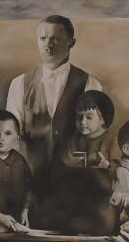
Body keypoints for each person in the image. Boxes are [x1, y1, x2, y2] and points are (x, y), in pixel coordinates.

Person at [4, 15, 102, 187]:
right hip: (30, 176)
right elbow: (10, 134)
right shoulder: (19, 84)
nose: (47, 45)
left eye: (55, 39)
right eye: (43, 39)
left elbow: (95, 134)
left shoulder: (89, 83)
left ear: (71, 43)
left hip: (73, 178)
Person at [45, 90, 117, 234]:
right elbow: (61, 164)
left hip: (100, 200)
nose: (83, 122)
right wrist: (66, 164)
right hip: (76, 197)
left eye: (89, 117)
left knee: (97, 223)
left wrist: (107, 166)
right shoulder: (73, 140)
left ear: (103, 119)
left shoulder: (111, 141)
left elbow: (121, 171)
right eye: (79, 117)